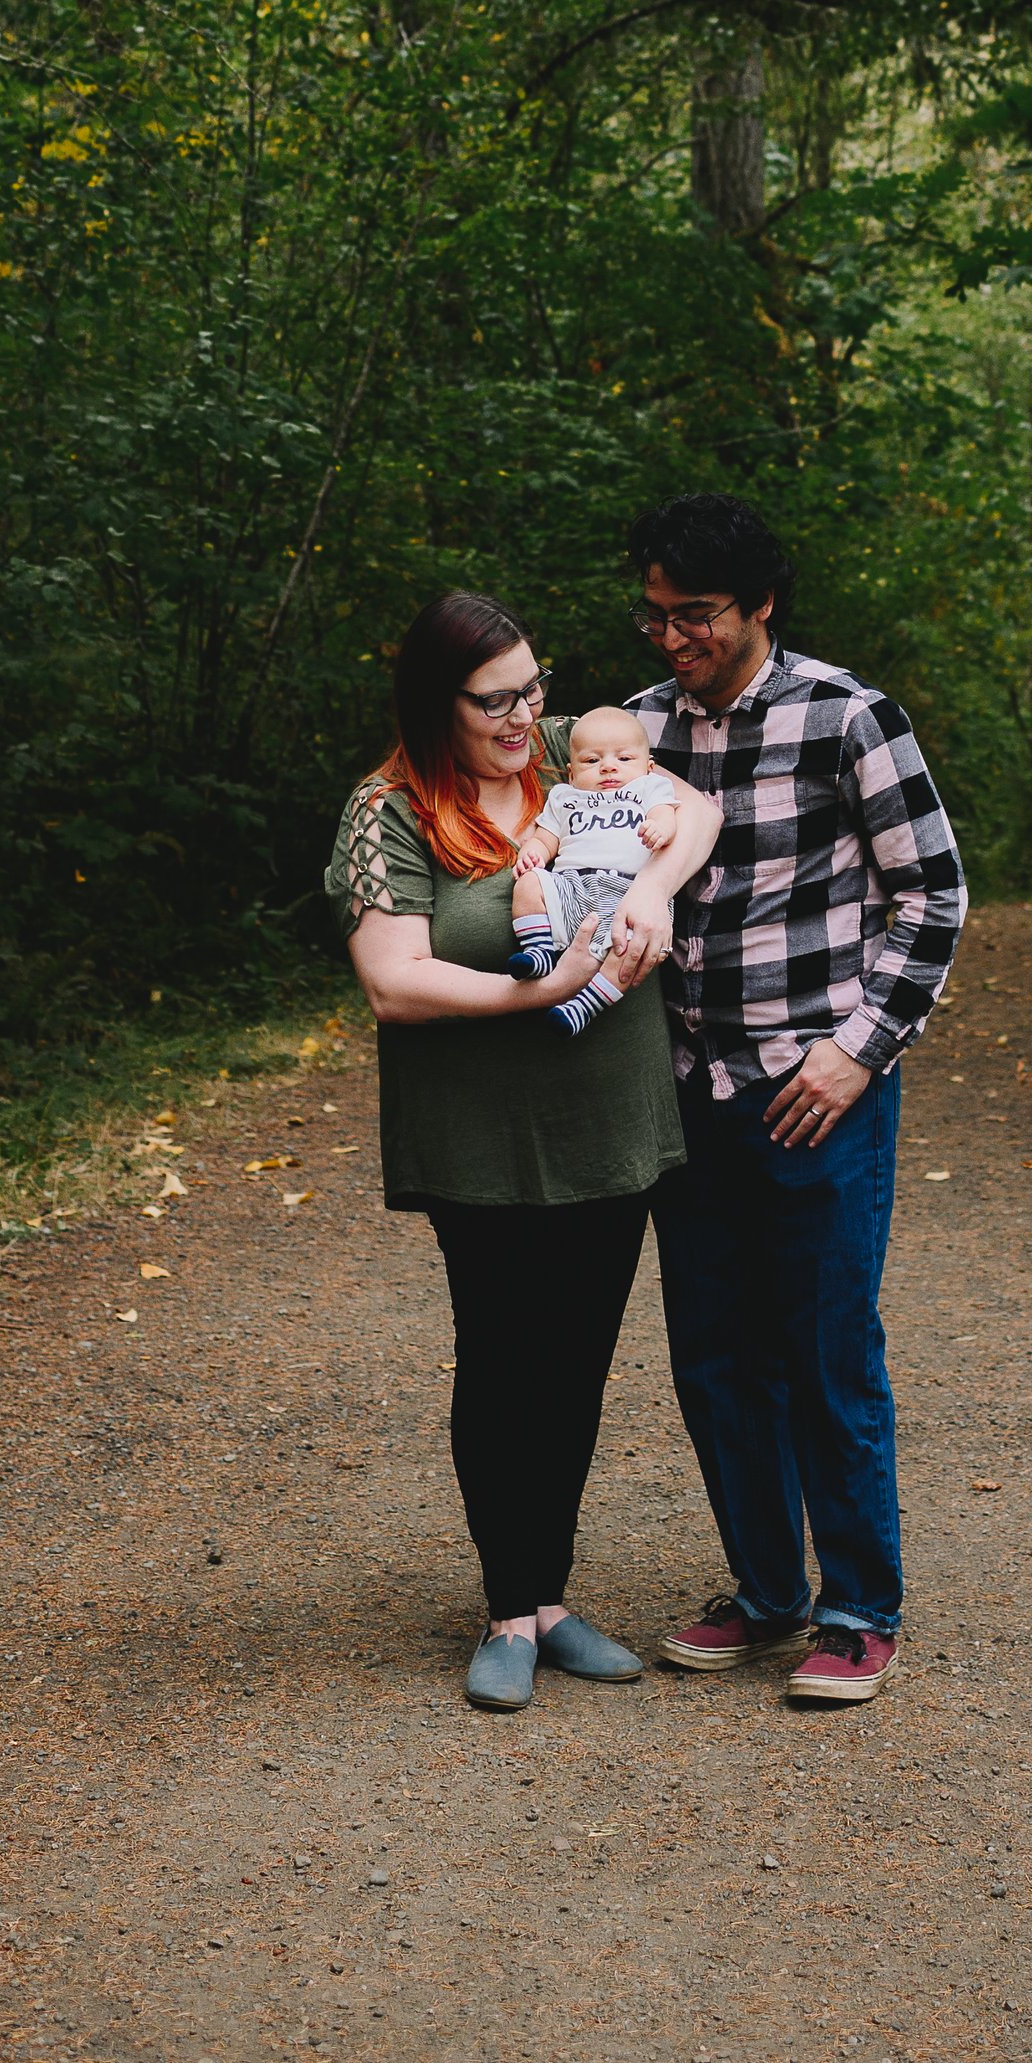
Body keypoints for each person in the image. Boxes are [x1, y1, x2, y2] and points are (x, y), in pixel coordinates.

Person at [324, 589, 721, 1714]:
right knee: (504, 1358)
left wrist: (654, 881)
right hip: (481, 1135)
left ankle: (548, 1597)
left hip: (610, 1118)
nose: (522, 715)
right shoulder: (387, 806)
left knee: (578, 1362)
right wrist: (537, 987)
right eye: (496, 699)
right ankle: (507, 1609)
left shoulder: (569, 751)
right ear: (434, 700)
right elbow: (394, 980)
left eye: (532, 688)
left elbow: (695, 808)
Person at [624, 491, 966, 1706]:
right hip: (685, 1093)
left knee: (825, 1347)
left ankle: (859, 1607)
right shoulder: (635, 735)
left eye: (696, 617)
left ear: (760, 605)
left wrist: (860, 1049)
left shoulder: (845, 715)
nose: (671, 641)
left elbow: (932, 895)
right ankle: (768, 1594)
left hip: (815, 1090)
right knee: (716, 1357)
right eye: (655, 616)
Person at [509, 707, 689, 1036]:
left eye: (624, 759)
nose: (608, 766)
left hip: (630, 894)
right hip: (571, 886)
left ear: (648, 767)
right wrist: (533, 853)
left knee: (629, 950)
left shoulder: (650, 789)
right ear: (571, 773)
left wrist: (661, 828)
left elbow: (667, 816)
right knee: (528, 883)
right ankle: (539, 950)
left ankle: (585, 1005)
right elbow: (546, 837)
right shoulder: (564, 798)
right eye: (592, 761)